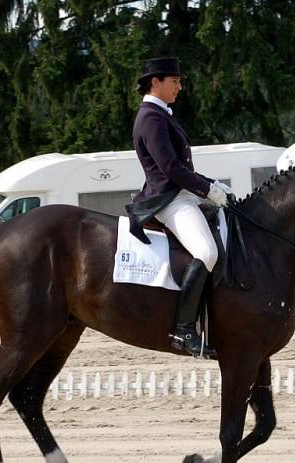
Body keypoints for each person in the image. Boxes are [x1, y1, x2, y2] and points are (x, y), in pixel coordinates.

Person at [127, 56, 231, 358]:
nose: (180, 87)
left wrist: (213, 184)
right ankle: (184, 329)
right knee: (207, 252)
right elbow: (171, 168)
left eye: (179, 81)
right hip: (169, 199)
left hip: (182, 193)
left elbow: (182, 167)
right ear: (155, 82)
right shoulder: (150, 118)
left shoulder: (162, 115)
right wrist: (207, 189)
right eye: (175, 81)